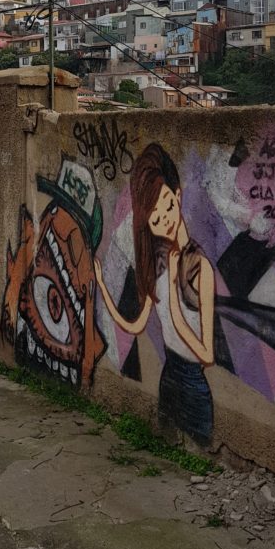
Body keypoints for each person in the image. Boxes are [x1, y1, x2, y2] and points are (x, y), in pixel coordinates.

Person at [95, 143, 215, 444]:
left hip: (195, 387)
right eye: (154, 217)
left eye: (167, 207)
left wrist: (174, 302)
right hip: (169, 379)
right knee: (165, 444)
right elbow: (135, 325)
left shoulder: (200, 268)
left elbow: (206, 354)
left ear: (178, 195)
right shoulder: (160, 262)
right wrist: (101, 287)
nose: (164, 219)